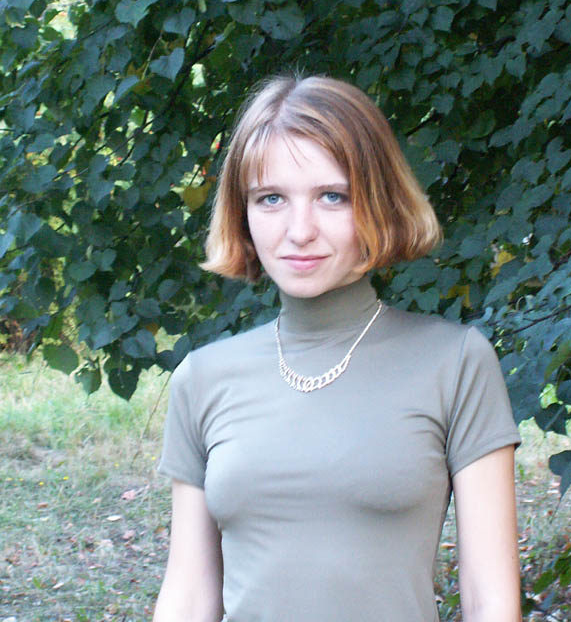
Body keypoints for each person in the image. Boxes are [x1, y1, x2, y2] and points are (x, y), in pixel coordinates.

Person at [153, 75, 523, 622]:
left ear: (378, 202)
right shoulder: (202, 378)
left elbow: (491, 599)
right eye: (271, 198)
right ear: (243, 214)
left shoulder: (456, 363)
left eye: (332, 196)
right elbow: (187, 596)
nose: (299, 230)